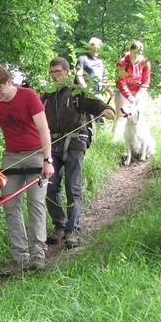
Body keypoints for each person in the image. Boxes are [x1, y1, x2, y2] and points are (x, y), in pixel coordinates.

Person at [0, 65, 54, 273]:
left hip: (36, 153)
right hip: (11, 157)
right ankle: (20, 257)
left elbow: (43, 128)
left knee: (36, 202)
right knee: (10, 204)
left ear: (8, 82)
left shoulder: (28, 96)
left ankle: (38, 255)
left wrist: (48, 160)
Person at [42, 57, 115, 248]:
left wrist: (106, 109)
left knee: (73, 187)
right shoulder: (47, 95)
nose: (55, 75)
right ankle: (60, 225)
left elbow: (94, 104)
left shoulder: (77, 92)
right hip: (52, 144)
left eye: (58, 71)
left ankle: (72, 230)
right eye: (52, 72)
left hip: (75, 142)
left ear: (67, 72)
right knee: (49, 186)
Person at [113, 40, 151, 141]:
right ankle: (115, 141)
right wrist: (129, 96)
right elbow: (120, 81)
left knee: (138, 115)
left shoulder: (145, 62)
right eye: (135, 52)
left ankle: (137, 140)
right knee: (122, 116)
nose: (138, 54)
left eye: (140, 52)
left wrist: (140, 93)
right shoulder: (122, 62)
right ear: (130, 51)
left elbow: (146, 80)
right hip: (123, 90)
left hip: (139, 90)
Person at [75, 37, 108, 101]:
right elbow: (79, 75)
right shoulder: (83, 59)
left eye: (98, 47)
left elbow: (104, 78)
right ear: (89, 47)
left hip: (99, 94)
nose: (96, 49)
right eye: (94, 46)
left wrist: (109, 90)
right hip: (86, 94)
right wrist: (86, 89)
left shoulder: (101, 62)